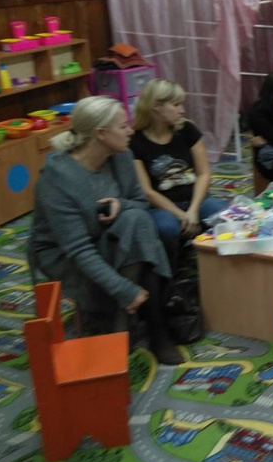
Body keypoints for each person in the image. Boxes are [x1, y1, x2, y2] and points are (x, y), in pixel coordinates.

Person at [30, 96, 184, 365]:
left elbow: (140, 202)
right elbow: (78, 249)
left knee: (137, 220)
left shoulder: (121, 156)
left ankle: (129, 327)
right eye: (123, 126)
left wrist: (121, 204)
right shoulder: (57, 179)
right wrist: (124, 289)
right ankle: (144, 327)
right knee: (140, 233)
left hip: (111, 237)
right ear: (100, 134)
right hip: (64, 256)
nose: (131, 131)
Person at [129, 79, 227, 266]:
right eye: (176, 105)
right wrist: (181, 215)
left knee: (224, 214)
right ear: (156, 107)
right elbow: (147, 191)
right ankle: (171, 270)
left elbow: (204, 174)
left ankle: (213, 266)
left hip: (196, 200)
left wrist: (193, 210)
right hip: (162, 207)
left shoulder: (187, 130)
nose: (182, 110)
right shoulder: (136, 142)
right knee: (166, 228)